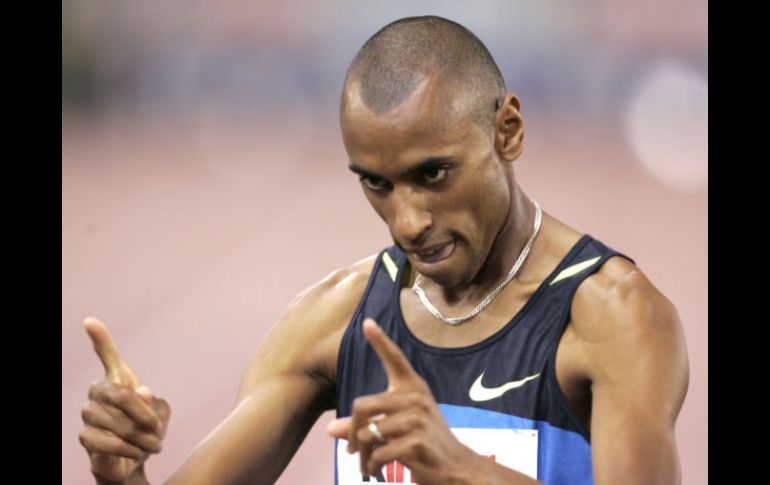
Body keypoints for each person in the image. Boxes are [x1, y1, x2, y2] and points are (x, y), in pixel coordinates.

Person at [78, 15, 689, 485]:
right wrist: (120, 471)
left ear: (508, 131)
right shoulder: (337, 318)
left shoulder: (613, 316)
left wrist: (461, 467)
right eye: (377, 182)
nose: (408, 222)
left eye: (433, 174)